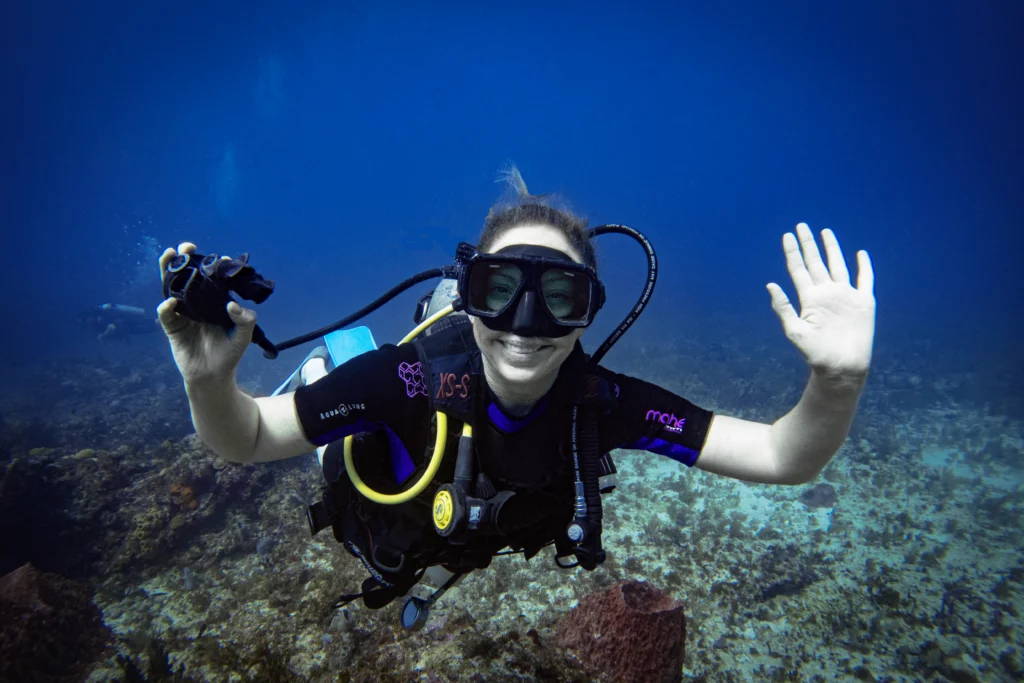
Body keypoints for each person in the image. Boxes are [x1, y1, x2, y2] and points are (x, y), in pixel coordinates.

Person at [157, 167, 875, 615]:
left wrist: (836, 383)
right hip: (379, 498)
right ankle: (325, 366)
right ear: (469, 300)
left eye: (559, 295)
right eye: (499, 291)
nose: (526, 326)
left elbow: (785, 455)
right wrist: (211, 384)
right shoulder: (404, 380)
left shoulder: (601, 401)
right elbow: (245, 437)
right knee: (340, 421)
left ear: (589, 308)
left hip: (462, 537)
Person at [80, 303, 160, 342]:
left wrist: (104, 336)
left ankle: (168, 318)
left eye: (85, 321)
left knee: (153, 324)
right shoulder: (97, 323)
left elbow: (112, 326)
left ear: (88, 317)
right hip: (128, 327)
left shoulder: (100, 317)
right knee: (152, 326)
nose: (86, 324)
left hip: (128, 324)